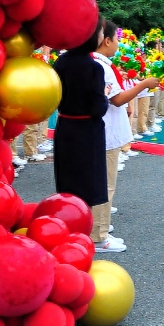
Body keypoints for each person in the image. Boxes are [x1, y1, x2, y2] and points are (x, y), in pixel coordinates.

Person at [92, 21, 160, 249]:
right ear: (107, 40)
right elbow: (117, 98)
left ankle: (100, 227)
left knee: (102, 183)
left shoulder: (99, 63)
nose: (119, 44)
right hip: (106, 132)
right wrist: (143, 84)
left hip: (103, 131)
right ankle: (99, 235)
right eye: (117, 39)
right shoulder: (100, 65)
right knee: (105, 184)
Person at [53, 24, 110, 239]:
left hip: (65, 126)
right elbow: (98, 108)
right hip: (87, 130)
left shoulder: (61, 61)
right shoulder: (93, 67)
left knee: (67, 183)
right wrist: (103, 94)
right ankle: (84, 234)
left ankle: (66, 228)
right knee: (87, 185)